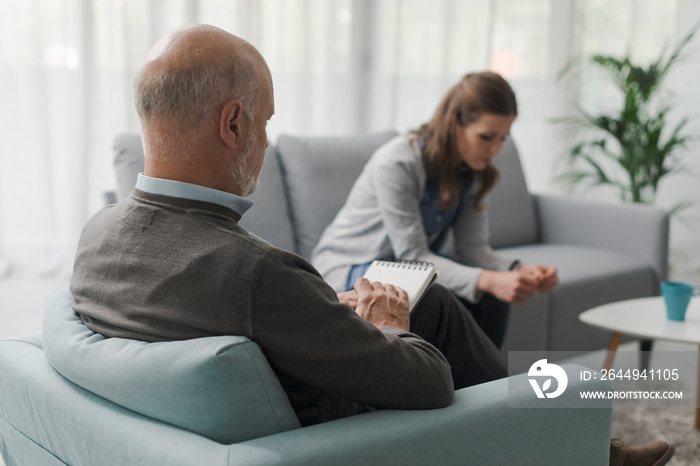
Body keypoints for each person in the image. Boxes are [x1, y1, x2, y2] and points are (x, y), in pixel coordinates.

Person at [69, 24, 674, 465]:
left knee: (437, 300)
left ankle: (563, 433)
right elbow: (427, 383)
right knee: (429, 310)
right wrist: (388, 328)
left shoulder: (96, 236)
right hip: (350, 432)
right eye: (266, 122)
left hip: (252, 398)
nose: (268, 144)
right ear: (233, 124)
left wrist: (326, 309)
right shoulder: (254, 271)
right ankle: (575, 439)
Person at [311, 72, 557, 348]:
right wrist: (489, 280)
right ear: (454, 124)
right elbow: (414, 255)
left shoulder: (473, 172)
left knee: (490, 293)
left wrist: (519, 270)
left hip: (404, 266)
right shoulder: (398, 162)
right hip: (350, 266)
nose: (496, 149)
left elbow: (473, 250)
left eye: (503, 138)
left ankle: (484, 388)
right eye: (487, 137)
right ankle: (476, 381)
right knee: (445, 293)